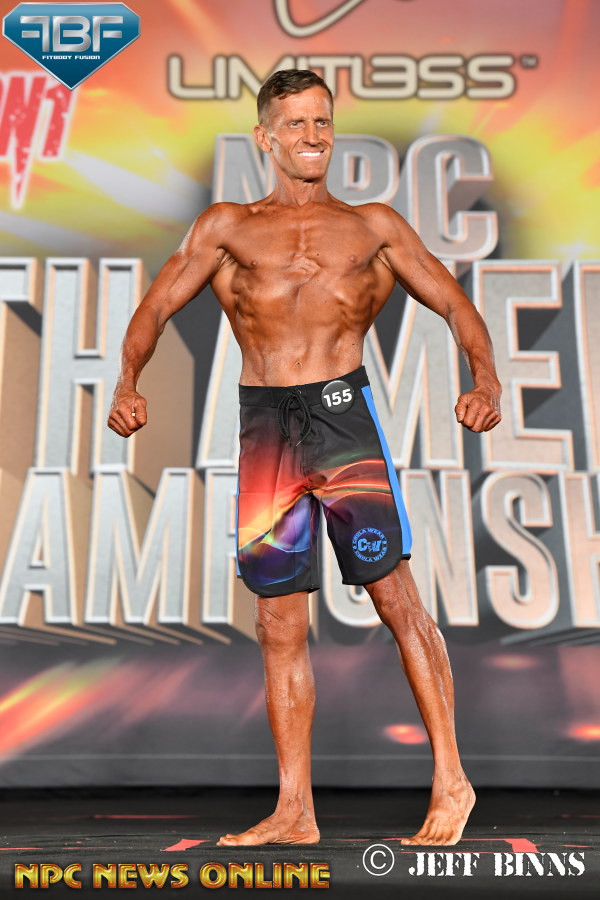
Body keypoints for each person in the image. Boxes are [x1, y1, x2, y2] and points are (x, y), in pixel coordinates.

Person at [108, 69, 501, 847]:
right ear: (266, 137)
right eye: (295, 123)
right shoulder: (227, 228)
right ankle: (295, 809)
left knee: (395, 599)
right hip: (266, 429)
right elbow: (156, 306)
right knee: (278, 621)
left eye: (322, 121)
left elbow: (455, 303)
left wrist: (484, 379)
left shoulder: (372, 227)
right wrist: (127, 382)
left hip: (342, 420)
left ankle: (453, 780)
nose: (313, 135)